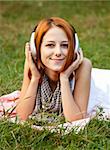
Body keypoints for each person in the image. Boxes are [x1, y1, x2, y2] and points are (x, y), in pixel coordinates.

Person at [16, 17, 92, 122]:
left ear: (74, 48)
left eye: (65, 45)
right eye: (50, 45)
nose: (58, 52)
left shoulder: (83, 66)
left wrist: (64, 78)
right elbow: (21, 116)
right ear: (36, 49)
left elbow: (75, 120)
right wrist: (35, 78)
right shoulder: (32, 64)